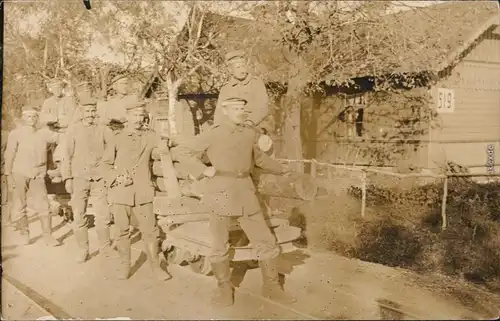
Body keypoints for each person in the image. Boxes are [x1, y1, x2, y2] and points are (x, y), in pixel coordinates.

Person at [174, 96, 296, 307]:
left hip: (246, 193)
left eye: (243, 107)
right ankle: (224, 290)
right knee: (220, 244)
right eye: (236, 108)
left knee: (265, 240)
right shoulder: (213, 133)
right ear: (225, 110)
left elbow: (259, 160)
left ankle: (271, 287)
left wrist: (283, 169)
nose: (241, 111)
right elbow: (182, 151)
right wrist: (203, 170)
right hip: (221, 192)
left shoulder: (249, 134)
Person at [99, 99, 171, 281]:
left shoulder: (151, 136)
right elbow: (105, 165)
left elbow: (163, 146)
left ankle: (156, 268)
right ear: (128, 117)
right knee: (122, 231)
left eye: (141, 115)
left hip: (143, 192)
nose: (139, 118)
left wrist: (166, 145)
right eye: (135, 115)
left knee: (151, 232)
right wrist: (116, 177)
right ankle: (125, 267)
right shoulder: (117, 137)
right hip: (121, 193)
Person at [60, 97, 116, 263]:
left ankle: (105, 248)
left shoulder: (103, 129)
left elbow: (112, 150)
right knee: (79, 215)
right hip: (79, 178)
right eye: (87, 111)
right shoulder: (73, 130)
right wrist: (67, 178)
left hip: (99, 178)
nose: (91, 114)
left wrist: (108, 171)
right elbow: (66, 155)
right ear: (81, 113)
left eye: (93, 111)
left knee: (103, 215)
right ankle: (83, 249)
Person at [3, 104, 62, 247]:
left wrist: (58, 157)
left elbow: (62, 139)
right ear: (23, 117)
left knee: (43, 205)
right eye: (28, 116)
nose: (31, 119)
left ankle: (47, 236)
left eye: (34, 116)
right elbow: (9, 154)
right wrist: (8, 174)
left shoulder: (44, 132)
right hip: (19, 172)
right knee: (19, 205)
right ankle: (25, 234)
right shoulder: (15, 134)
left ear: (37, 117)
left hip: (38, 174)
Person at [214, 50, 269, 128]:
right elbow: (219, 112)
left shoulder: (256, 83)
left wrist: (250, 122)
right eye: (238, 67)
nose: (242, 70)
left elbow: (263, 107)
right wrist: (217, 127)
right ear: (230, 70)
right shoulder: (226, 88)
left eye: (243, 66)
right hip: (233, 128)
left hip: (255, 125)